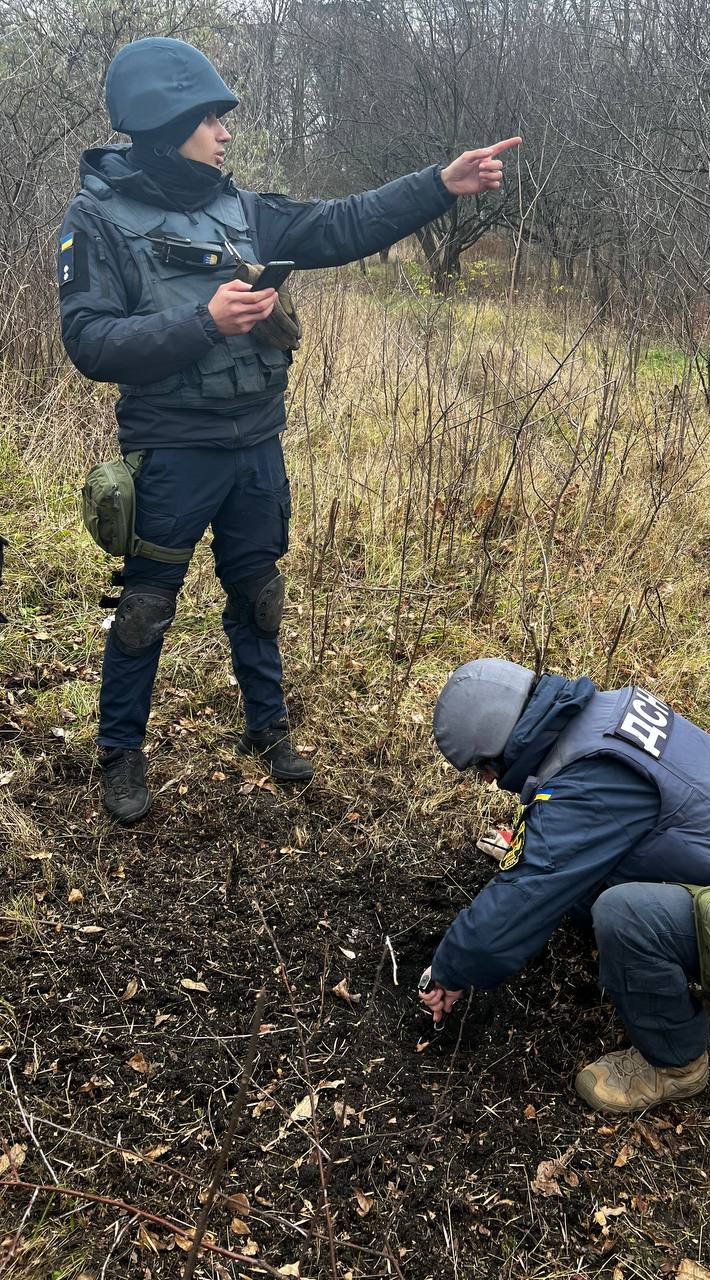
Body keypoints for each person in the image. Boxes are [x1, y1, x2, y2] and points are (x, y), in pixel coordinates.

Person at [59, 37, 521, 823]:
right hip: (171, 451)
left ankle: (267, 730)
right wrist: (202, 321)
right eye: (211, 119)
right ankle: (120, 753)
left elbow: (344, 225)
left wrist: (439, 186)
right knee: (144, 609)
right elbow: (89, 340)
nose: (225, 132)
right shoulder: (97, 218)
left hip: (256, 446)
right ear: (165, 123)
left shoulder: (244, 211)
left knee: (260, 592)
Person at [418, 659, 710, 1114]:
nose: (487, 781)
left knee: (622, 913)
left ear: (497, 745)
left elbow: (527, 893)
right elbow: (573, 827)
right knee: (580, 879)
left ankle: (676, 1063)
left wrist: (451, 967)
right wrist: (534, 845)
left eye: (482, 768)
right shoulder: (598, 715)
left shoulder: (594, 780)